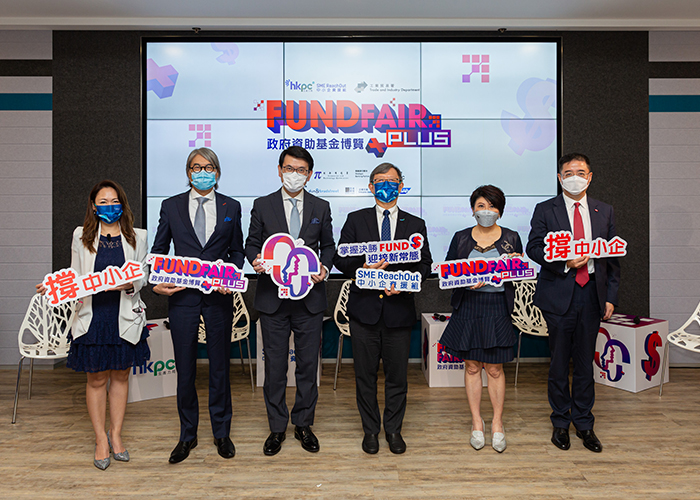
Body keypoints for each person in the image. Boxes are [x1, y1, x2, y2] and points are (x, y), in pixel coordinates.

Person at [36, 180, 150, 470]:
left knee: (121, 377)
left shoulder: (138, 236)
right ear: (93, 205)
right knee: (97, 379)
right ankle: (100, 438)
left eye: (114, 201)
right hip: (92, 316)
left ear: (122, 204)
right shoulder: (81, 236)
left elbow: (143, 276)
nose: (109, 206)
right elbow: (75, 276)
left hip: (124, 315)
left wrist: (128, 283)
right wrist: (55, 287)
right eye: (103, 201)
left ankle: (117, 435)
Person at [151, 147, 245, 463]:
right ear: (188, 172)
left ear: (217, 173)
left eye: (208, 167)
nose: (201, 171)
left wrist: (229, 276)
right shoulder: (171, 206)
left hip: (219, 298)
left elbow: (237, 251)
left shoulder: (232, 206)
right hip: (183, 299)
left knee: (220, 368)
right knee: (186, 370)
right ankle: (187, 436)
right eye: (195, 167)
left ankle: (222, 433)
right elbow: (159, 249)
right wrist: (158, 280)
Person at [333, 163, 432, 455]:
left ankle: (393, 430)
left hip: (398, 311)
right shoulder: (355, 220)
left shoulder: (416, 224)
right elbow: (341, 259)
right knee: (364, 376)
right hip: (364, 311)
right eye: (380, 181)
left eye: (392, 181)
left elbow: (424, 265)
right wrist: (362, 265)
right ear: (370, 186)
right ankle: (370, 431)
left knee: (397, 376)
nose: (386, 185)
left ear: (401, 185)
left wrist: (405, 283)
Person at [526, 153, 620, 453]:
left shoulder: (604, 211)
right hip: (559, 293)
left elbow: (613, 259)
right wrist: (563, 261)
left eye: (580, 172)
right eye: (568, 172)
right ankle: (559, 422)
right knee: (558, 362)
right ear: (560, 177)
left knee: (584, 363)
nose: (574, 176)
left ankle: (584, 423)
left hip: (592, 294)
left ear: (590, 176)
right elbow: (534, 247)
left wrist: (610, 297)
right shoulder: (546, 209)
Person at [245, 146, 334, 456]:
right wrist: (255, 260)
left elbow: (329, 246)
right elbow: (252, 243)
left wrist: (324, 267)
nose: (294, 175)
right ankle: (277, 427)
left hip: (309, 299)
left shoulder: (320, 207)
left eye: (301, 170)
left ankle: (304, 423)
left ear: (309, 174)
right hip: (273, 300)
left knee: (308, 366)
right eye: (289, 168)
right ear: (279, 169)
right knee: (275, 367)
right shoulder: (262, 205)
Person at [437, 185, 521, 453]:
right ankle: (477, 422)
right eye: (481, 206)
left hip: (497, 307)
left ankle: (497, 423)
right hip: (469, 307)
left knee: (495, 368)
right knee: (472, 367)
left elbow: (517, 276)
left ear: (500, 210)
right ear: (473, 209)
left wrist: (515, 266)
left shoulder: (511, 237)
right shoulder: (461, 237)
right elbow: (448, 273)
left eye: (492, 206)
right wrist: (464, 282)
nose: (486, 211)